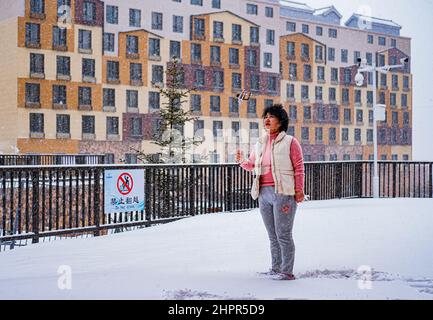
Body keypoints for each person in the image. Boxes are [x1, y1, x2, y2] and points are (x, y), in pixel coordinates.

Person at [236, 104, 305, 281]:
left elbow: (299, 168)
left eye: (271, 116)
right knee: (272, 235)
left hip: (283, 192)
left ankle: (287, 271)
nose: (267, 119)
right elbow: (251, 165)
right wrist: (242, 160)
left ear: (280, 121)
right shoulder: (260, 142)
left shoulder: (290, 142)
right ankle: (276, 268)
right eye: (265, 116)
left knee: (283, 234)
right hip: (263, 193)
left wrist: (299, 190)